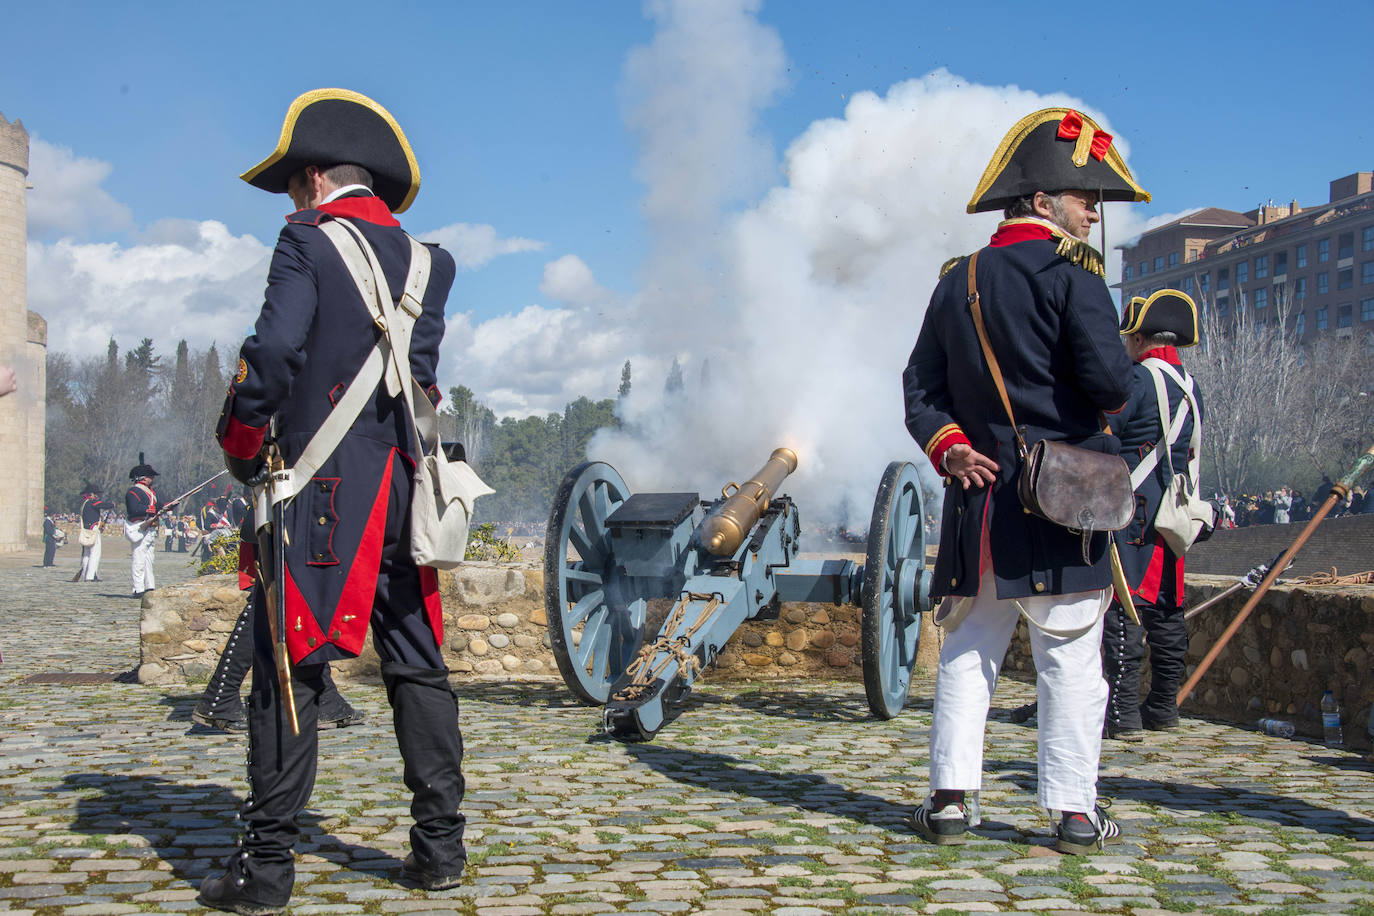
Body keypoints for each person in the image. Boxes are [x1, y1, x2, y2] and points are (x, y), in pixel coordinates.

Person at [199, 88, 464, 915]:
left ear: (314, 178)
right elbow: (417, 385)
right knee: (417, 666)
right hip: (404, 496)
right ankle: (440, 849)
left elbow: (273, 353)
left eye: (291, 185)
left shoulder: (306, 241)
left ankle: (266, 870)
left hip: (321, 497)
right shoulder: (430, 262)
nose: (288, 199)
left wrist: (241, 442)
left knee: (291, 672)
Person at [902, 107, 1146, 854]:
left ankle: (950, 800)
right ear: (1041, 203)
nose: (1093, 211)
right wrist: (1125, 381)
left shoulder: (957, 283)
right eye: (1083, 198)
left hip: (980, 500)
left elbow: (920, 388)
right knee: (1070, 658)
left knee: (970, 651)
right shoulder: (1075, 279)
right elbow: (1110, 386)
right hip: (1067, 497)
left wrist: (950, 448)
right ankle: (1073, 812)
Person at [1101, 290, 1205, 740]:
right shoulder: (1190, 385)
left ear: (1139, 339)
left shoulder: (1137, 380)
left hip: (1134, 516)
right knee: (1167, 612)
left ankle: (1123, 715)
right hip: (1170, 513)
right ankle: (1163, 706)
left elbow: (1106, 436)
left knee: (1125, 611)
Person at [193, 509, 364, 733]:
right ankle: (220, 696)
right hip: (284, 512)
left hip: (303, 509)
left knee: (302, 598)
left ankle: (325, 697)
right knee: (270, 600)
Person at [125, 456, 175, 597]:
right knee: (139, 559)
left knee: (148, 559)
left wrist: (170, 505)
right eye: (149, 476)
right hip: (140, 527)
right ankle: (138, 588)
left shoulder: (151, 492)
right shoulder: (133, 492)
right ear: (142, 478)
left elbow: (160, 505)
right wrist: (152, 509)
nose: (152, 479)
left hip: (150, 528)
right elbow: (134, 510)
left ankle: (149, 586)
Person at [75, 483, 111, 582]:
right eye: (95, 494)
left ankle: (87, 574)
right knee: (95, 553)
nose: (97, 496)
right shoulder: (92, 503)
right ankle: (90, 576)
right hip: (93, 531)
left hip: (86, 531)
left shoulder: (85, 504)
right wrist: (113, 504)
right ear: (91, 494)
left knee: (86, 554)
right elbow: (105, 505)